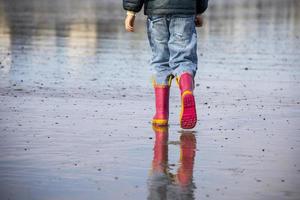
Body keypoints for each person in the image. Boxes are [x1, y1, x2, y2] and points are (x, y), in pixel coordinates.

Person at [123, 0, 208, 129]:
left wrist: (131, 11)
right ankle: (186, 90)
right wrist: (199, 10)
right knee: (183, 59)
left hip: (156, 12)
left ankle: (161, 114)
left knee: (160, 61)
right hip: (185, 11)